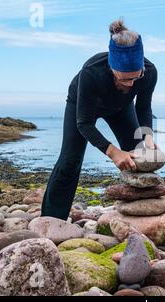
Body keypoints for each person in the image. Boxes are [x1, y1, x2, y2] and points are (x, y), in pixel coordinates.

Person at [41, 19, 158, 220]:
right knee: (70, 160)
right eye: (123, 78)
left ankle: (140, 215)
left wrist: (147, 137)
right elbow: (84, 123)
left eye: (134, 78)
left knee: (139, 154)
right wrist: (113, 152)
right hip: (83, 105)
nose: (130, 84)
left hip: (121, 107)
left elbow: (143, 107)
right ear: (112, 68)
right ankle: (51, 220)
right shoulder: (91, 73)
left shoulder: (149, 72)